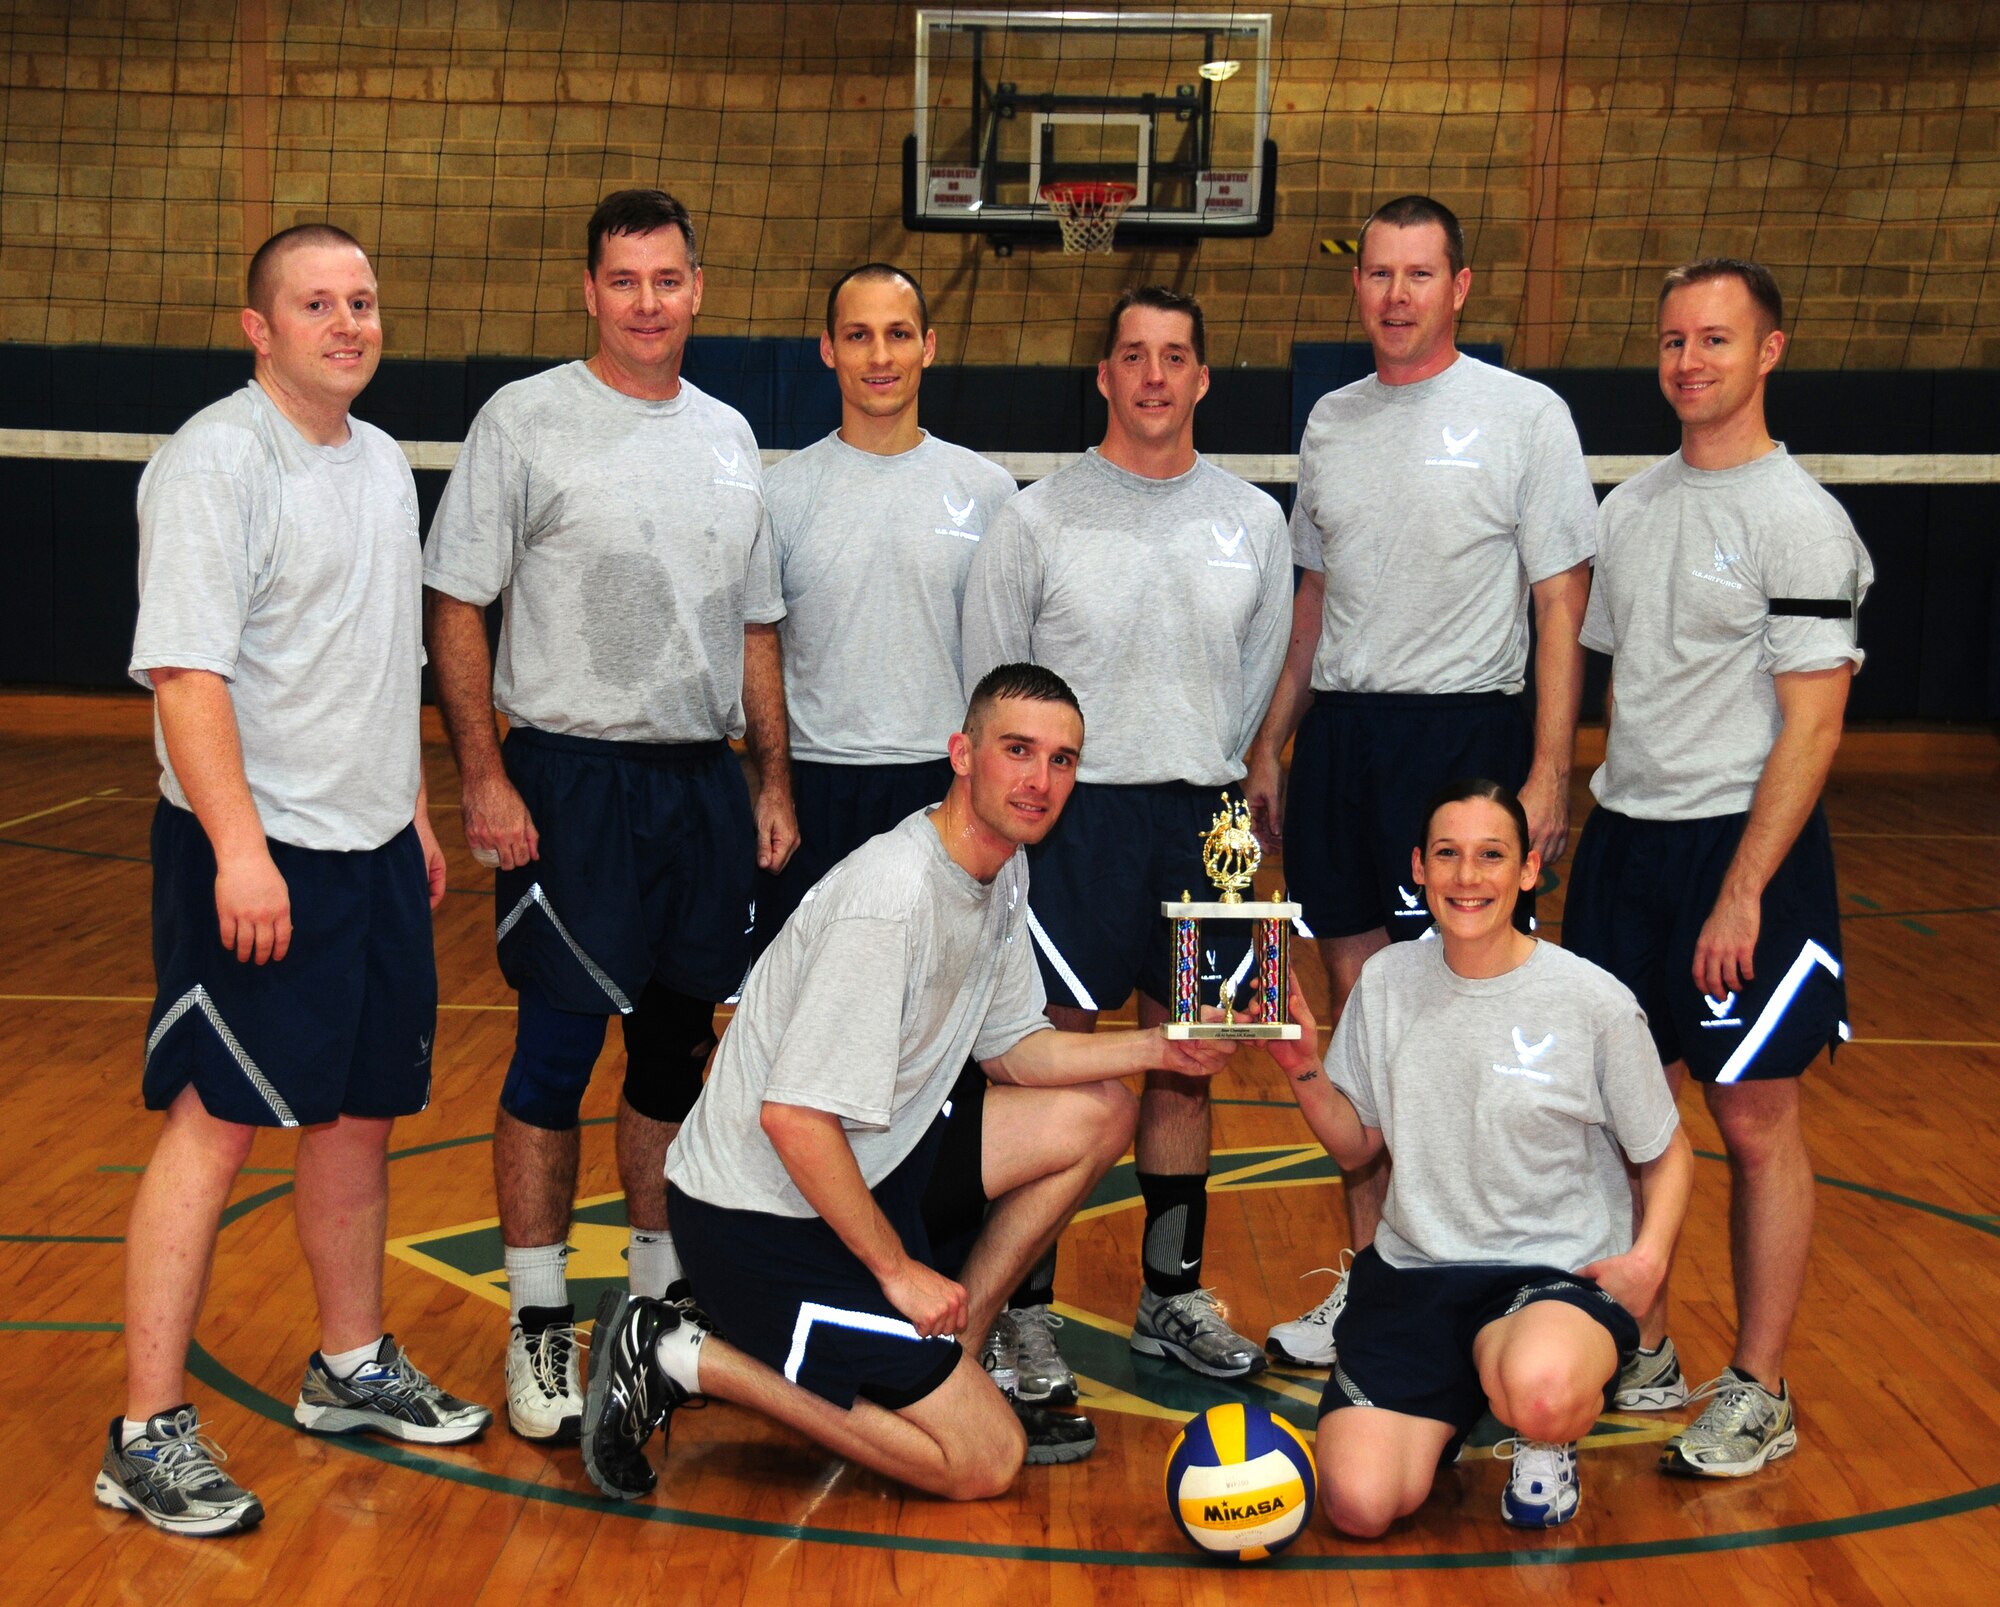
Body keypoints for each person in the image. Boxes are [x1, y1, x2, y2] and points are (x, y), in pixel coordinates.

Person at [578, 666, 1239, 1502]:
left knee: (1101, 1112)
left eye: (1063, 760)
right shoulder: (891, 897)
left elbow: (1015, 1051)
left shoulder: (1001, 870)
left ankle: (943, 1364)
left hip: (869, 1172)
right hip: (763, 1220)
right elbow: (794, 1120)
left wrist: (1159, 1046)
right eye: (1018, 751)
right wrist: (898, 1273)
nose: (1040, 781)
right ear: (962, 753)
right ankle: (677, 1352)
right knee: (983, 1459)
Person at [98, 226, 490, 1537]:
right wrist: (240, 844)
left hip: (372, 850)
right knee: (215, 1120)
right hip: (253, 855)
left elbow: (376, 661)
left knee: (359, 1116)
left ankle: (348, 1360)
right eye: (315, 304)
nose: (347, 322)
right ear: (258, 327)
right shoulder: (218, 458)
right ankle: (146, 1429)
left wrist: (412, 811)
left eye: (364, 300)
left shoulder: (380, 462)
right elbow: (188, 673)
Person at [423, 189, 798, 1444]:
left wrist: (770, 781)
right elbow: (458, 603)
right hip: (571, 781)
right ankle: (538, 1318)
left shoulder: (732, 434)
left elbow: (753, 627)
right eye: (623, 280)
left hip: (698, 785)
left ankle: (652, 1308)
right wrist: (484, 770)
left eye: (667, 279)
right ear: (589, 290)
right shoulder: (522, 420)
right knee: (553, 1057)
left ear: (698, 288)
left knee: (672, 1057)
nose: (647, 301)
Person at [1247, 194, 1600, 1370]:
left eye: (1418, 273)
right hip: (1343, 742)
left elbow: (1560, 599)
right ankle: (1371, 1291)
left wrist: (1548, 768)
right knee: (1368, 1033)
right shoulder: (1331, 424)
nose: (1394, 294)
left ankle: (1497, 1295)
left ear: (1458, 288)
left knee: (1469, 1026)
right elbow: (1311, 601)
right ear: (1359, 288)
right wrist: (1271, 741)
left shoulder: (1522, 416)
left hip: (1466, 743)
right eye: (1377, 273)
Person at [1564, 258, 1873, 1475]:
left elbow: (1813, 724)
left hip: (1743, 852)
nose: (1689, 361)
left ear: (1768, 353)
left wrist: (1742, 886)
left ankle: (1758, 1383)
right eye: (1673, 341)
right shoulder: (1629, 509)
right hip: (1624, 842)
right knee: (1623, 1114)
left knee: (1751, 1120)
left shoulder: (1798, 517)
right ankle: (1642, 1348)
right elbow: (1621, 689)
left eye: (1715, 340)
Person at [760, 265, 1084, 1406]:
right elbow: (762, 642)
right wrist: (773, 781)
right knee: (831, 1059)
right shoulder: (787, 489)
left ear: (929, 345)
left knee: (966, 1062)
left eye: (899, 333)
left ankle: (1006, 1313)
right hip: (826, 790)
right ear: (828, 350)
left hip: (950, 792)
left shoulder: (986, 489)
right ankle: (814, 1280)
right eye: (858, 334)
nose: (880, 354)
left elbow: (1010, 658)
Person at [960, 287, 1291, 1382]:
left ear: (1201, 379)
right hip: (1072, 818)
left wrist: (1208, 765)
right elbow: (993, 686)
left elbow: (1254, 683)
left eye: (1175, 357)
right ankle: (1024, 1305)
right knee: (1056, 1060)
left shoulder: (1252, 519)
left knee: (1190, 1062)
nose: (1153, 375)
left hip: (1207, 816)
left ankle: (1171, 1291)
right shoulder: (1035, 517)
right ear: (1102, 374)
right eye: (1133, 356)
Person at [1268, 779, 1692, 1533]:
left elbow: (1666, 1151)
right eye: (1448, 855)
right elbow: (1357, 1142)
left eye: (1491, 856)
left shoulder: (1592, 1000)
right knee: (1359, 1506)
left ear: (1528, 869)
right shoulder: (1386, 981)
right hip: (1417, 1275)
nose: (1469, 877)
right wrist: (1304, 1065)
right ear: (1419, 869)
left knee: (1540, 1387)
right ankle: (1451, 1401)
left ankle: (1542, 1434)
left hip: (1549, 1275)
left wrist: (1649, 1258)